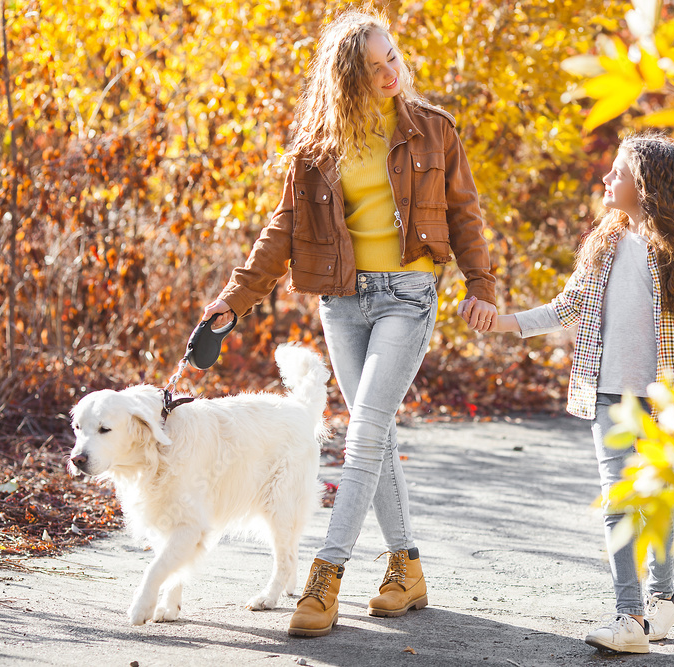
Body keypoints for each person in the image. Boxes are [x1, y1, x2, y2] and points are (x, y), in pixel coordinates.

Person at [201, 10, 498, 637]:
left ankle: (325, 575)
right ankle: (406, 568)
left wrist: (481, 284)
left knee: (363, 429)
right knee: (376, 431)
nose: (390, 72)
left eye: (392, 56)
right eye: (373, 65)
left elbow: (464, 213)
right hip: (340, 301)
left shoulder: (433, 132)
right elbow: (282, 228)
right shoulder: (315, 149)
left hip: (408, 294)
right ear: (347, 76)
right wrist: (236, 297)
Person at [464, 133, 674, 653]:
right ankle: (631, 617)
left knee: (656, 500)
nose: (606, 179)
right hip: (606, 396)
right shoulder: (603, 244)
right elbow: (566, 307)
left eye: (618, 173)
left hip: (661, 400)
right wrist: (502, 322)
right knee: (619, 503)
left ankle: (663, 597)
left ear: (644, 186)